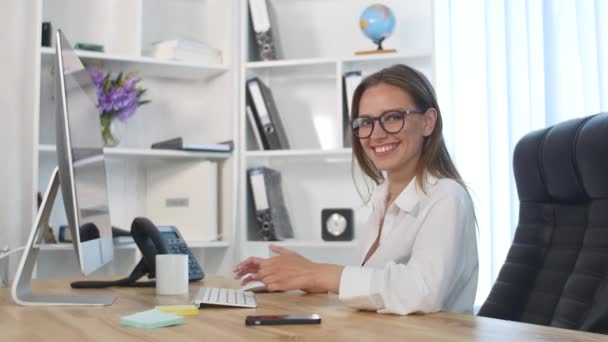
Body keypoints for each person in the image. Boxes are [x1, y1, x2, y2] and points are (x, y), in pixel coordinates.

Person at [234, 64, 478, 315]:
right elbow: (378, 283)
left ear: (427, 122)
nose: (376, 134)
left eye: (393, 117)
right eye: (365, 122)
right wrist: (306, 273)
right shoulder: (382, 197)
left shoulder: (446, 196)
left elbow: (421, 291)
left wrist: (319, 275)